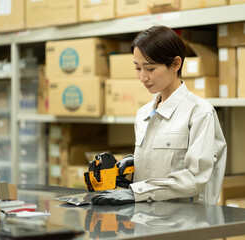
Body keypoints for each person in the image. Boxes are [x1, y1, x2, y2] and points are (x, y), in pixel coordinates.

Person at [92, 25, 227, 206]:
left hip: (185, 223)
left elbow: (194, 178)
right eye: (137, 68)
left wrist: (136, 193)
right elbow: (162, 164)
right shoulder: (143, 114)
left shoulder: (199, 112)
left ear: (175, 64)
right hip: (145, 220)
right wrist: (133, 165)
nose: (142, 77)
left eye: (150, 68)